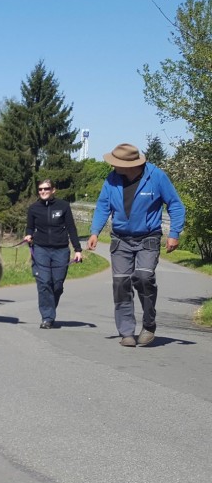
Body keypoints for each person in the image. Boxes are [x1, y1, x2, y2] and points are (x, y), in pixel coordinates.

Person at [87, 143, 185, 348]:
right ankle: (126, 332)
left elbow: (175, 204)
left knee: (144, 277)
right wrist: (95, 232)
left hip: (148, 237)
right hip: (120, 239)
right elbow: (103, 206)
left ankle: (149, 324)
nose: (112, 166)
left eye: (116, 163)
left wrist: (174, 233)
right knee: (121, 284)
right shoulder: (112, 179)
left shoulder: (156, 177)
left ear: (130, 164)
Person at [24, 179, 83, 329]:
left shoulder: (63, 206)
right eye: (40, 189)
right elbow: (30, 227)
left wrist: (77, 250)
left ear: (53, 190)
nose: (43, 191)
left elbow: (71, 228)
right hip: (40, 249)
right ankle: (47, 317)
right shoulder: (33, 208)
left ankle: (50, 309)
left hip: (61, 250)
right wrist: (28, 235)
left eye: (46, 188)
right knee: (44, 283)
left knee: (57, 285)